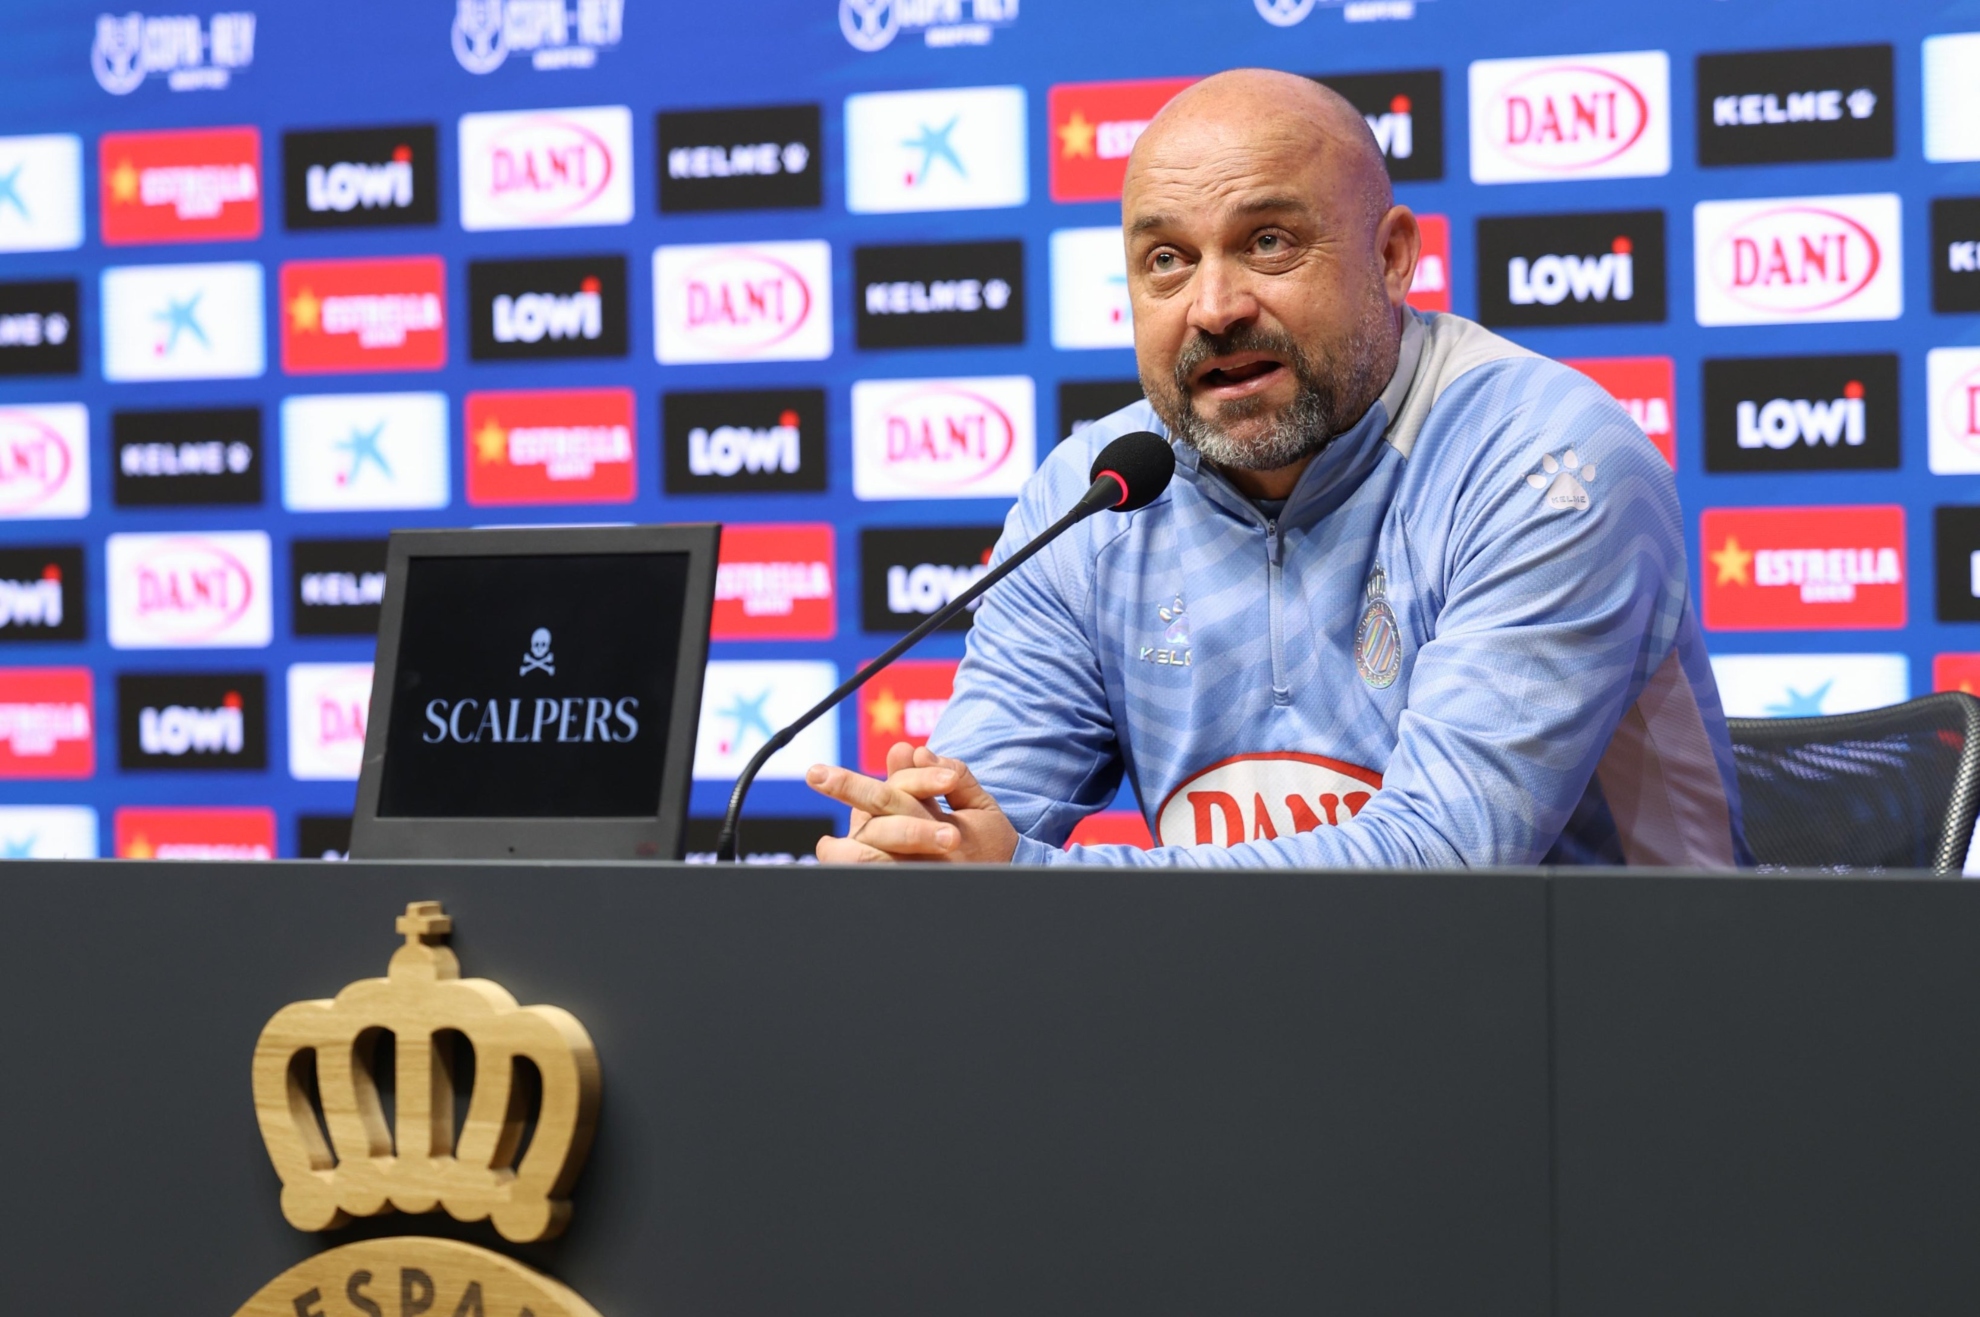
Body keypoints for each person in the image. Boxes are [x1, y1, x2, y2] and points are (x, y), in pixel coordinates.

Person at [806, 68, 1748, 868]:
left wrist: (1025, 878)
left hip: (1599, 1034)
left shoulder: (1545, 460)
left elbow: (1447, 862)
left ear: (1390, 257)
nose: (1214, 306)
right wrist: (924, 849)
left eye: (1268, 242)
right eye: (1167, 260)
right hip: (1246, 1033)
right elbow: (981, 820)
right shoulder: (1092, 498)